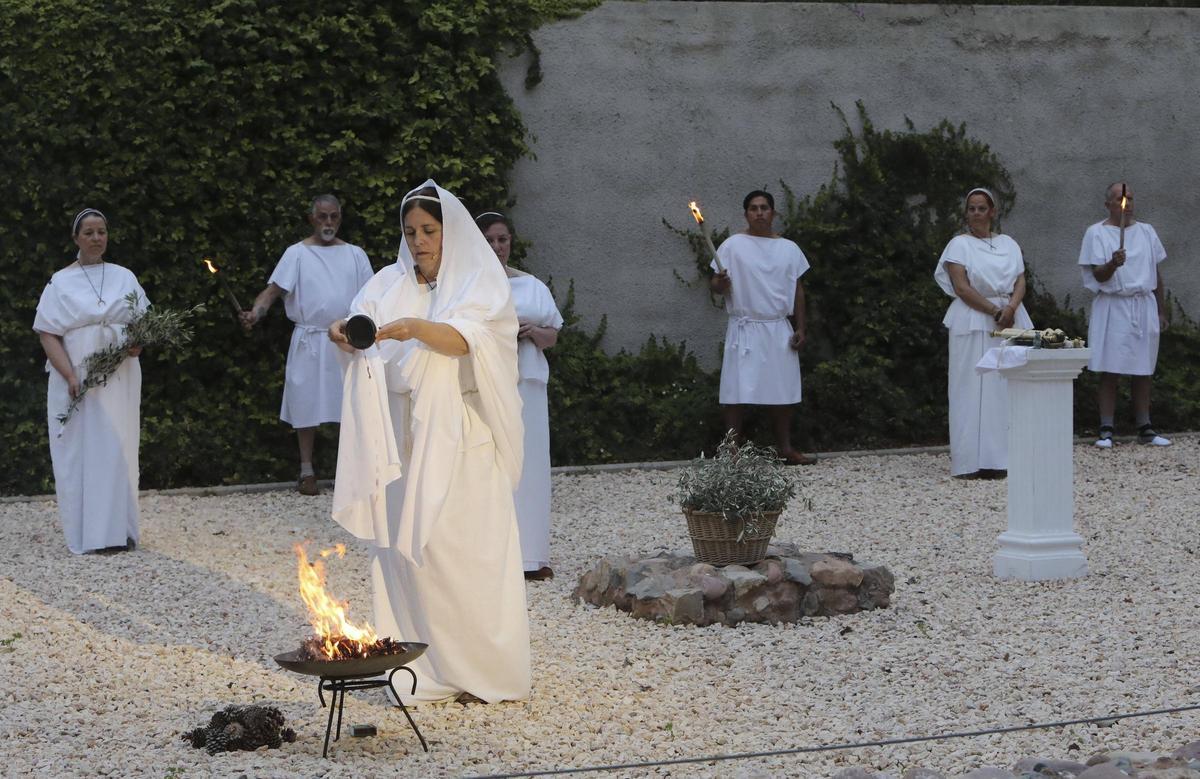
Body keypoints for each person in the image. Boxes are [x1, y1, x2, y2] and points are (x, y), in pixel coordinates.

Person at [328, 181, 529, 705]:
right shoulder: (386, 282)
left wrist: (418, 327)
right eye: (411, 231)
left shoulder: (479, 281)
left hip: (462, 433)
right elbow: (357, 324)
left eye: (429, 230)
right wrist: (343, 333)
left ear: (450, 231)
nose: (419, 241)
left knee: (466, 553)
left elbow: (470, 340)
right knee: (410, 557)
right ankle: (425, 670)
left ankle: (485, 672)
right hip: (402, 435)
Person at [240, 195, 374, 494]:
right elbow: (272, 292)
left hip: (346, 340)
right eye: (323, 217)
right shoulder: (296, 254)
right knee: (306, 404)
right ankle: (306, 470)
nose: (329, 223)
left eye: (334, 217)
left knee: (351, 404)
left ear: (340, 218)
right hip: (310, 340)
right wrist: (255, 314)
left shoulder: (355, 254)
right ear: (312, 218)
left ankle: (351, 471)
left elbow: (373, 296)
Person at [34, 208, 148, 554]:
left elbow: (142, 322)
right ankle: (92, 533)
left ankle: (122, 529)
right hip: (80, 377)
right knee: (86, 450)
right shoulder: (60, 281)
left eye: (102, 231)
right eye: (89, 233)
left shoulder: (124, 276)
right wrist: (69, 373)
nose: (97, 238)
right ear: (76, 239)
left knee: (120, 446)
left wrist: (136, 342)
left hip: (120, 374)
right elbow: (47, 332)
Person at [476, 211, 563, 581]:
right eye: (491, 240)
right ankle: (489, 553)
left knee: (528, 466)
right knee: (489, 464)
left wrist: (532, 332)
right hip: (488, 382)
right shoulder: (468, 286)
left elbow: (553, 335)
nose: (498, 247)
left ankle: (530, 554)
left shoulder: (531, 286)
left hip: (526, 382)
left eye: (503, 240)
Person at [934, 188, 1034, 478]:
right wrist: (993, 311)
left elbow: (1020, 280)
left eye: (981, 208)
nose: (976, 214)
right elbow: (962, 286)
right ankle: (969, 461)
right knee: (970, 387)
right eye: (971, 209)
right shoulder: (959, 245)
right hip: (974, 318)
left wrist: (1011, 308)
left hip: (1011, 317)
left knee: (1004, 388)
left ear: (992, 212)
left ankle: (1002, 459)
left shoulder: (1009, 243)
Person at [709, 190, 814, 465]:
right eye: (753, 208)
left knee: (782, 391)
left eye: (764, 208)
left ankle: (785, 448)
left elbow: (797, 290)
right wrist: (721, 283)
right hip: (744, 327)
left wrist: (800, 327)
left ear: (773, 213)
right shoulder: (732, 246)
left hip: (778, 326)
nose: (759, 212)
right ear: (746, 214)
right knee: (735, 390)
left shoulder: (789, 249)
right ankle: (731, 450)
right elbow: (716, 286)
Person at [1078, 182, 1170, 448]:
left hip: (1143, 305)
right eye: (1121, 198)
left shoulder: (1146, 232)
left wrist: (1161, 310)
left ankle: (1145, 427)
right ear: (1108, 204)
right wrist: (1112, 264)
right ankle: (1106, 428)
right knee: (1111, 368)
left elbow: (1156, 274)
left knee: (1143, 368)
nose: (1126, 203)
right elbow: (1097, 275)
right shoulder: (1096, 233)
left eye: (1130, 198)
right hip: (1114, 306)